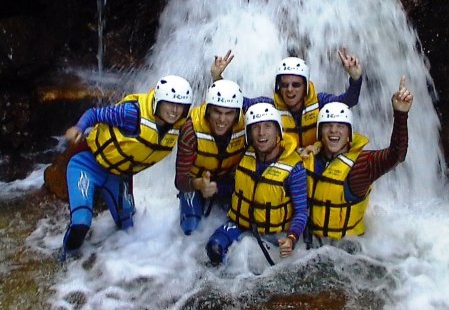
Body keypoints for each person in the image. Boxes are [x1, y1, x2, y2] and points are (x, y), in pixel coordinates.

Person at [61, 75, 193, 260]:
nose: (174, 110)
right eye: (169, 103)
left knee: (128, 226)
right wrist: (79, 128)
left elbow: (212, 117)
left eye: (180, 106)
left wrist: (216, 77)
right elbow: (94, 114)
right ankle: (65, 260)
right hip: (88, 165)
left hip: (119, 176)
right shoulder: (131, 114)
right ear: (157, 102)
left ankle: (115, 266)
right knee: (81, 223)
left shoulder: (182, 126)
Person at [301, 76, 413, 251]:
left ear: (349, 134)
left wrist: (400, 114)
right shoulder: (308, 157)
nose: (333, 131)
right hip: (310, 247)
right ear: (320, 132)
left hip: (349, 251)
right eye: (328, 125)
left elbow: (396, 155)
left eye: (341, 126)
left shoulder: (361, 166)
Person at [205, 103, 308, 266]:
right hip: (241, 224)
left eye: (268, 126)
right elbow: (235, 187)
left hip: (274, 234)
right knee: (214, 248)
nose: (261, 133)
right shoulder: (246, 156)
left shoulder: (294, 169)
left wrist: (292, 238)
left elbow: (302, 211)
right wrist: (214, 188)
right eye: (256, 128)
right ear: (249, 134)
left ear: (278, 132)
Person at [211, 49, 363, 149]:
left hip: (314, 161)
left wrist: (355, 78)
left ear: (306, 86)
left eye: (296, 85)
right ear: (279, 86)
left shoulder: (320, 101)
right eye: (284, 85)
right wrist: (217, 78)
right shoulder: (269, 106)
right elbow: (234, 101)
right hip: (287, 166)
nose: (290, 90)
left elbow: (349, 100)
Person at [175, 79, 245, 235]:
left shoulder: (247, 126)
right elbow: (180, 181)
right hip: (194, 183)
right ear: (208, 111)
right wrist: (199, 184)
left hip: (226, 183)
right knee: (190, 229)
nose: (222, 120)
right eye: (217, 112)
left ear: (237, 114)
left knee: (241, 221)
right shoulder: (190, 130)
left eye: (228, 114)